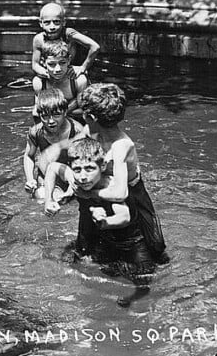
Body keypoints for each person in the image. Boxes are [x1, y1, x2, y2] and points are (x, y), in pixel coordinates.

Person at [43, 83, 169, 266]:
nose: (81, 116)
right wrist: (67, 184)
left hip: (130, 198)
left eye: (84, 113)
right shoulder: (90, 132)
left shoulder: (121, 146)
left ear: (92, 117)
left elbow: (120, 192)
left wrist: (85, 193)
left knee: (151, 252)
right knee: (85, 251)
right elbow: (75, 156)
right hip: (96, 191)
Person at [52, 137, 156, 307]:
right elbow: (53, 168)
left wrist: (104, 221)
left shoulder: (111, 186)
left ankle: (134, 299)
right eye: (77, 170)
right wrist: (51, 199)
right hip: (106, 238)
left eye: (89, 169)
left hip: (132, 240)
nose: (83, 176)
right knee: (96, 267)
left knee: (143, 280)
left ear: (102, 167)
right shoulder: (77, 179)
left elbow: (124, 216)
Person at [23, 88, 85, 199]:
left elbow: (83, 163)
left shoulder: (77, 131)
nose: (51, 121)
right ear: (39, 115)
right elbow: (29, 156)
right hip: (46, 174)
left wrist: (73, 187)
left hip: (70, 174)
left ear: (65, 112)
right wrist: (30, 180)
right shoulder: (36, 132)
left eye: (56, 115)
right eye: (45, 116)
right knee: (40, 197)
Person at [32, 1, 100, 79]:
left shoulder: (68, 34)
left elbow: (95, 46)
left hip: (70, 73)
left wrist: (83, 67)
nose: (52, 27)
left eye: (56, 22)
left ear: (63, 22)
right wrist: (46, 73)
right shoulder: (39, 39)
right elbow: (35, 65)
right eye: (47, 22)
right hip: (52, 72)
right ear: (40, 23)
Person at [32, 40, 89, 122]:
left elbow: (83, 110)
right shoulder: (39, 82)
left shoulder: (78, 80)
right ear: (43, 62)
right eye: (51, 64)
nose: (58, 69)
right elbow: (38, 111)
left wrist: (62, 113)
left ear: (69, 60)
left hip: (75, 119)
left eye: (62, 63)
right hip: (53, 120)